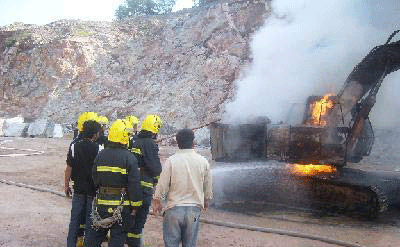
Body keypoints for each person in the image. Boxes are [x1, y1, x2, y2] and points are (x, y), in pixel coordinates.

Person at [85, 119, 142, 247]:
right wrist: (136, 206)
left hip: (101, 204)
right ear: (125, 137)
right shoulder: (129, 158)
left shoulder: (101, 155)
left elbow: (94, 178)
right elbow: (134, 185)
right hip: (121, 207)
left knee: (94, 237)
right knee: (117, 238)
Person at [152, 128, 213, 247]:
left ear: (177, 142)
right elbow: (208, 184)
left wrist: (157, 201)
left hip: (174, 210)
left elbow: (162, 184)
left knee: (171, 244)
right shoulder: (203, 161)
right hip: (193, 212)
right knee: (190, 244)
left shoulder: (171, 161)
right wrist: (206, 199)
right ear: (193, 142)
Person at [65, 120, 103, 247]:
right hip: (93, 192)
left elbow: (69, 168)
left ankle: (71, 244)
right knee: (90, 222)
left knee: (74, 221)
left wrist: (66, 185)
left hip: (79, 190)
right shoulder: (99, 148)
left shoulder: (74, 146)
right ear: (94, 134)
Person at [127, 114, 162, 247]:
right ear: (155, 128)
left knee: (130, 220)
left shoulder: (135, 140)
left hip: (131, 187)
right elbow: (155, 168)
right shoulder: (149, 143)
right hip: (143, 189)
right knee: (137, 224)